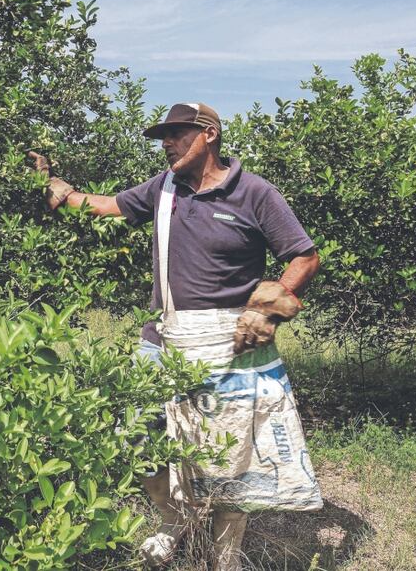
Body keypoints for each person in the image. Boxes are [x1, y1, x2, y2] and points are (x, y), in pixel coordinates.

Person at [29, 102, 323, 570]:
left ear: (209, 134)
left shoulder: (254, 193)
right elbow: (107, 206)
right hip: (161, 339)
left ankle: (225, 555)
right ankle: (175, 521)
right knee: (137, 437)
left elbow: (304, 256)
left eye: (176, 133)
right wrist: (57, 188)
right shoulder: (163, 188)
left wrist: (270, 304)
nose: (166, 143)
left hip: (230, 342)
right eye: (163, 136)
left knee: (228, 450)